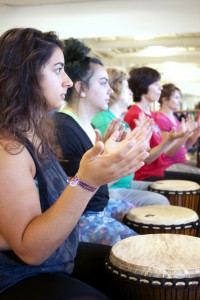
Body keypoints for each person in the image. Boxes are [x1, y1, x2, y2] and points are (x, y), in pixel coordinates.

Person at [0, 28, 149, 299]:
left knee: (129, 268)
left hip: (53, 256)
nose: (67, 81)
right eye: (58, 69)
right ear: (26, 76)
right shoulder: (8, 148)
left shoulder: (33, 132)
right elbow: (31, 250)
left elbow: (49, 198)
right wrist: (88, 180)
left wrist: (98, 166)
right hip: (17, 276)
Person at [53, 38, 151, 246]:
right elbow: (71, 193)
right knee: (138, 246)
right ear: (81, 88)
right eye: (103, 82)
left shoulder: (86, 126)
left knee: (144, 217)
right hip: (82, 217)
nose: (110, 91)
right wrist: (120, 161)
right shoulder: (64, 129)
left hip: (98, 207)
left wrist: (116, 155)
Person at [92, 67, 169, 205]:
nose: (131, 92)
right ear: (116, 89)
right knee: (161, 200)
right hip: (111, 188)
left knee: (163, 191)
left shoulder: (118, 120)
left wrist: (141, 140)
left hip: (124, 184)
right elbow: (107, 172)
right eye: (127, 88)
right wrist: (140, 143)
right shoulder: (105, 122)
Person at [124, 66, 189, 181]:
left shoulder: (153, 115)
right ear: (143, 86)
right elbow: (147, 158)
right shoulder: (135, 115)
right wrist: (170, 140)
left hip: (159, 170)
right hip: (145, 175)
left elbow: (162, 150)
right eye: (155, 84)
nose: (159, 88)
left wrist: (177, 137)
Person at [155, 83, 200, 168]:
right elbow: (169, 152)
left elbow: (186, 145)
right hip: (169, 165)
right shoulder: (161, 119)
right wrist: (186, 133)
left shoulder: (174, 119)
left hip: (181, 161)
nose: (180, 101)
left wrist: (198, 129)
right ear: (165, 100)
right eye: (176, 98)